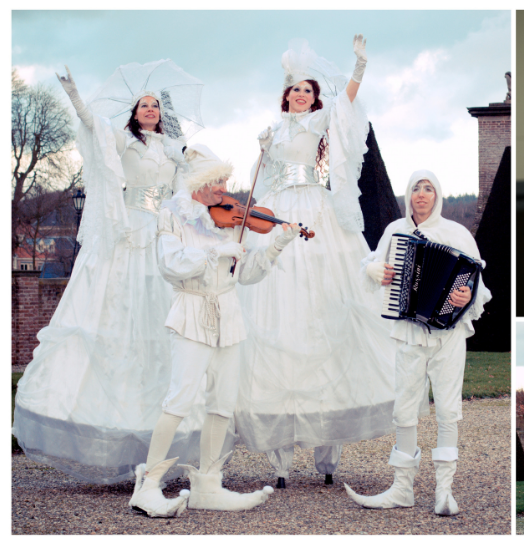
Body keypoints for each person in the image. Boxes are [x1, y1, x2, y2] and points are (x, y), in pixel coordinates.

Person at [12, 66, 203, 483]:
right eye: (143, 105)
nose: (150, 109)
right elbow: (96, 131)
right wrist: (77, 99)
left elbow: (185, 191)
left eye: (155, 104)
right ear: (135, 113)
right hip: (131, 227)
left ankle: (163, 442)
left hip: (164, 231)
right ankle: (112, 436)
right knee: (119, 306)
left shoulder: (173, 149)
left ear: (161, 113)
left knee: (162, 317)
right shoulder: (123, 141)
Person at [234, 35, 397, 487]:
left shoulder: (323, 118)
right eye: (295, 89)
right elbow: (257, 180)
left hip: (314, 210)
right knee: (277, 310)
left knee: (324, 309)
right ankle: (279, 456)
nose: (301, 95)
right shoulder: (271, 129)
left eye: (308, 89)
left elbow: (346, 105)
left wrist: (359, 67)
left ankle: (329, 452)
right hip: (277, 210)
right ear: (285, 94)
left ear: (313, 97)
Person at [128, 144, 301, 517]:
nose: (225, 187)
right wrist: (214, 253)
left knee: (222, 403)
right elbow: (170, 264)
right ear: (199, 182)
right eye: (217, 180)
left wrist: (277, 244)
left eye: (225, 179)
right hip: (191, 310)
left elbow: (247, 273)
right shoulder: (172, 213)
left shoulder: (227, 219)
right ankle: (149, 486)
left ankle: (208, 485)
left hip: (229, 313)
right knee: (179, 400)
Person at [344, 170, 492, 516]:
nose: (422, 195)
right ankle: (401, 488)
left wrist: (465, 296)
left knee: (447, 408)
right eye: (416, 188)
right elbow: (371, 265)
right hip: (408, 330)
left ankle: (445, 492)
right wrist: (375, 272)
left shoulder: (456, 233)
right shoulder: (395, 231)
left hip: (448, 334)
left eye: (428, 189)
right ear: (408, 195)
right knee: (404, 407)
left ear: (437, 195)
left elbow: (476, 284)